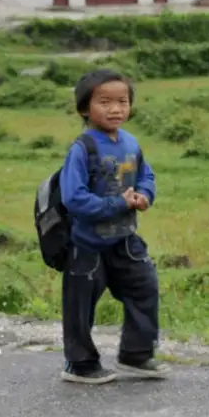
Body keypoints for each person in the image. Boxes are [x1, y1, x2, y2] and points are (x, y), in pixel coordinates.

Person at [58, 69, 166, 384]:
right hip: (87, 243)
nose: (115, 109)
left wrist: (145, 195)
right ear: (84, 109)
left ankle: (135, 355)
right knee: (80, 306)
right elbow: (73, 198)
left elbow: (146, 175)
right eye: (104, 102)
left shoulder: (131, 142)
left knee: (144, 288)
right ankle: (80, 365)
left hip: (124, 239)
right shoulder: (82, 148)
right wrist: (119, 203)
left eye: (122, 101)